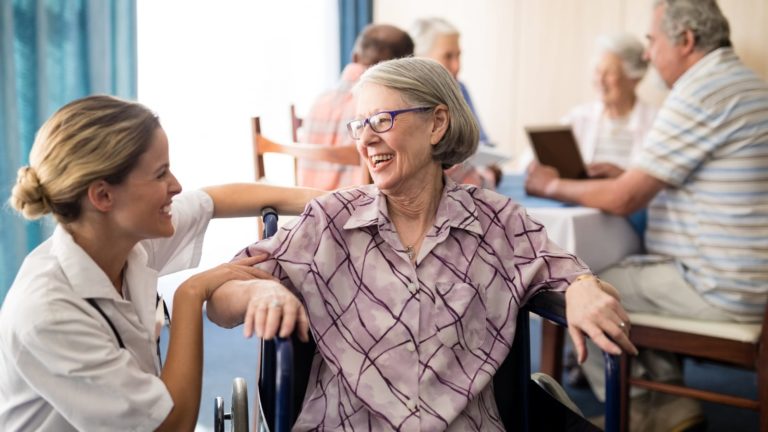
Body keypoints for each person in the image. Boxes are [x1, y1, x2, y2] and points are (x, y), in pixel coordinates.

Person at [207, 57, 637, 430]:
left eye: (382, 120)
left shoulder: (499, 223)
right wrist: (260, 289)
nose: (365, 138)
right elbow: (220, 302)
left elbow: (585, 287)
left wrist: (583, 287)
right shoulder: (331, 221)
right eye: (359, 124)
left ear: (437, 123)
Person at [0, 95, 323, 431]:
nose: (176, 186)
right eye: (160, 174)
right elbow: (171, 426)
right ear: (103, 196)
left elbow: (213, 200)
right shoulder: (48, 313)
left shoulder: (124, 241)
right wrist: (190, 294)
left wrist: (339, 199)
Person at [526, 0, 768, 430]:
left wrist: (549, 186)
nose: (649, 54)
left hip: (718, 288)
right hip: (746, 278)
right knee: (626, 272)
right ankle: (669, 405)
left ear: (687, 40)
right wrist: (630, 175)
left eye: (652, 42)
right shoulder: (742, 83)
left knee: (582, 287)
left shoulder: (700, 90)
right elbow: (687, 178)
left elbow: (623, 200)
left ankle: (636, 406)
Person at [296, 23, 414, 190]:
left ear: (355, 57)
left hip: (306, 204)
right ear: (404, 67)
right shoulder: (383, 108)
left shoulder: (318, 101)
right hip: (355, 207)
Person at [410, 17, 503, 189]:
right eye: (448, 56)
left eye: (458, 55)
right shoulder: (407, 101)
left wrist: (490, 164)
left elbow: (482, 142)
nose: (457, 66)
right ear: (420, 57)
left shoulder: (460, 89)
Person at [563, 33, 658, 179]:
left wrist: (622, 177)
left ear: (634, 78)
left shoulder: (656, 122)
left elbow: (664, 188)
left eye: (610, 73)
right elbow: (531, 162)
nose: (600, 80)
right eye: (598, 71)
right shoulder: (578, 117)